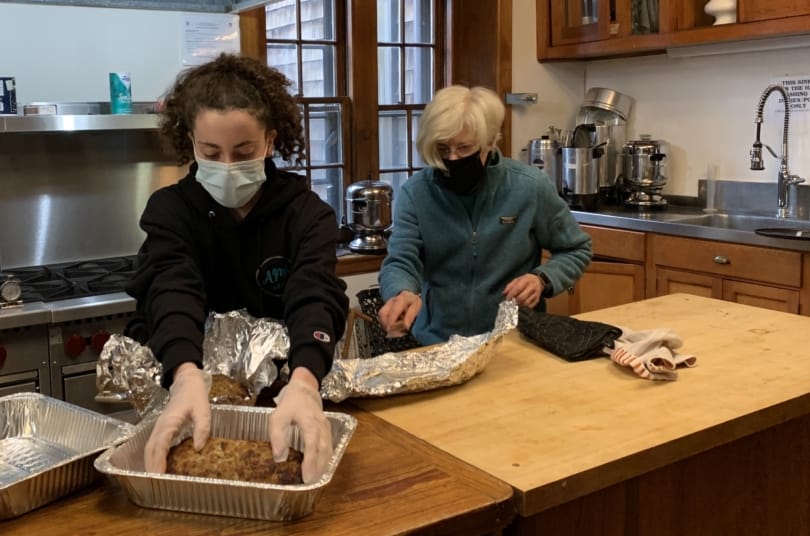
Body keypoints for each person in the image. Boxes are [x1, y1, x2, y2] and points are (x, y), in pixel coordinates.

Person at [125, 53, 348, 484]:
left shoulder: (306, 215)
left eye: (243, 151)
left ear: (270, 141)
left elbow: (316, 295)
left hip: (278, 398)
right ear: (191, 143)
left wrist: (305, 381)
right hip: (183, 385)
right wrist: (185, 375)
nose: (227, 166)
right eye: (211, 152)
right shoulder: (171, 211)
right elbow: (171, 288)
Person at [378, 85, 592, 344]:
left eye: (464, 148)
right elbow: (401, 260)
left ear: (489, 142)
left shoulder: (529, 187)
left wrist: (543, 279)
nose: (452, 158)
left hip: (516, 341)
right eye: (443, 149)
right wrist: (401, 292)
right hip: (438, 343)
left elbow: (576, 249)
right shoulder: (416, 193)